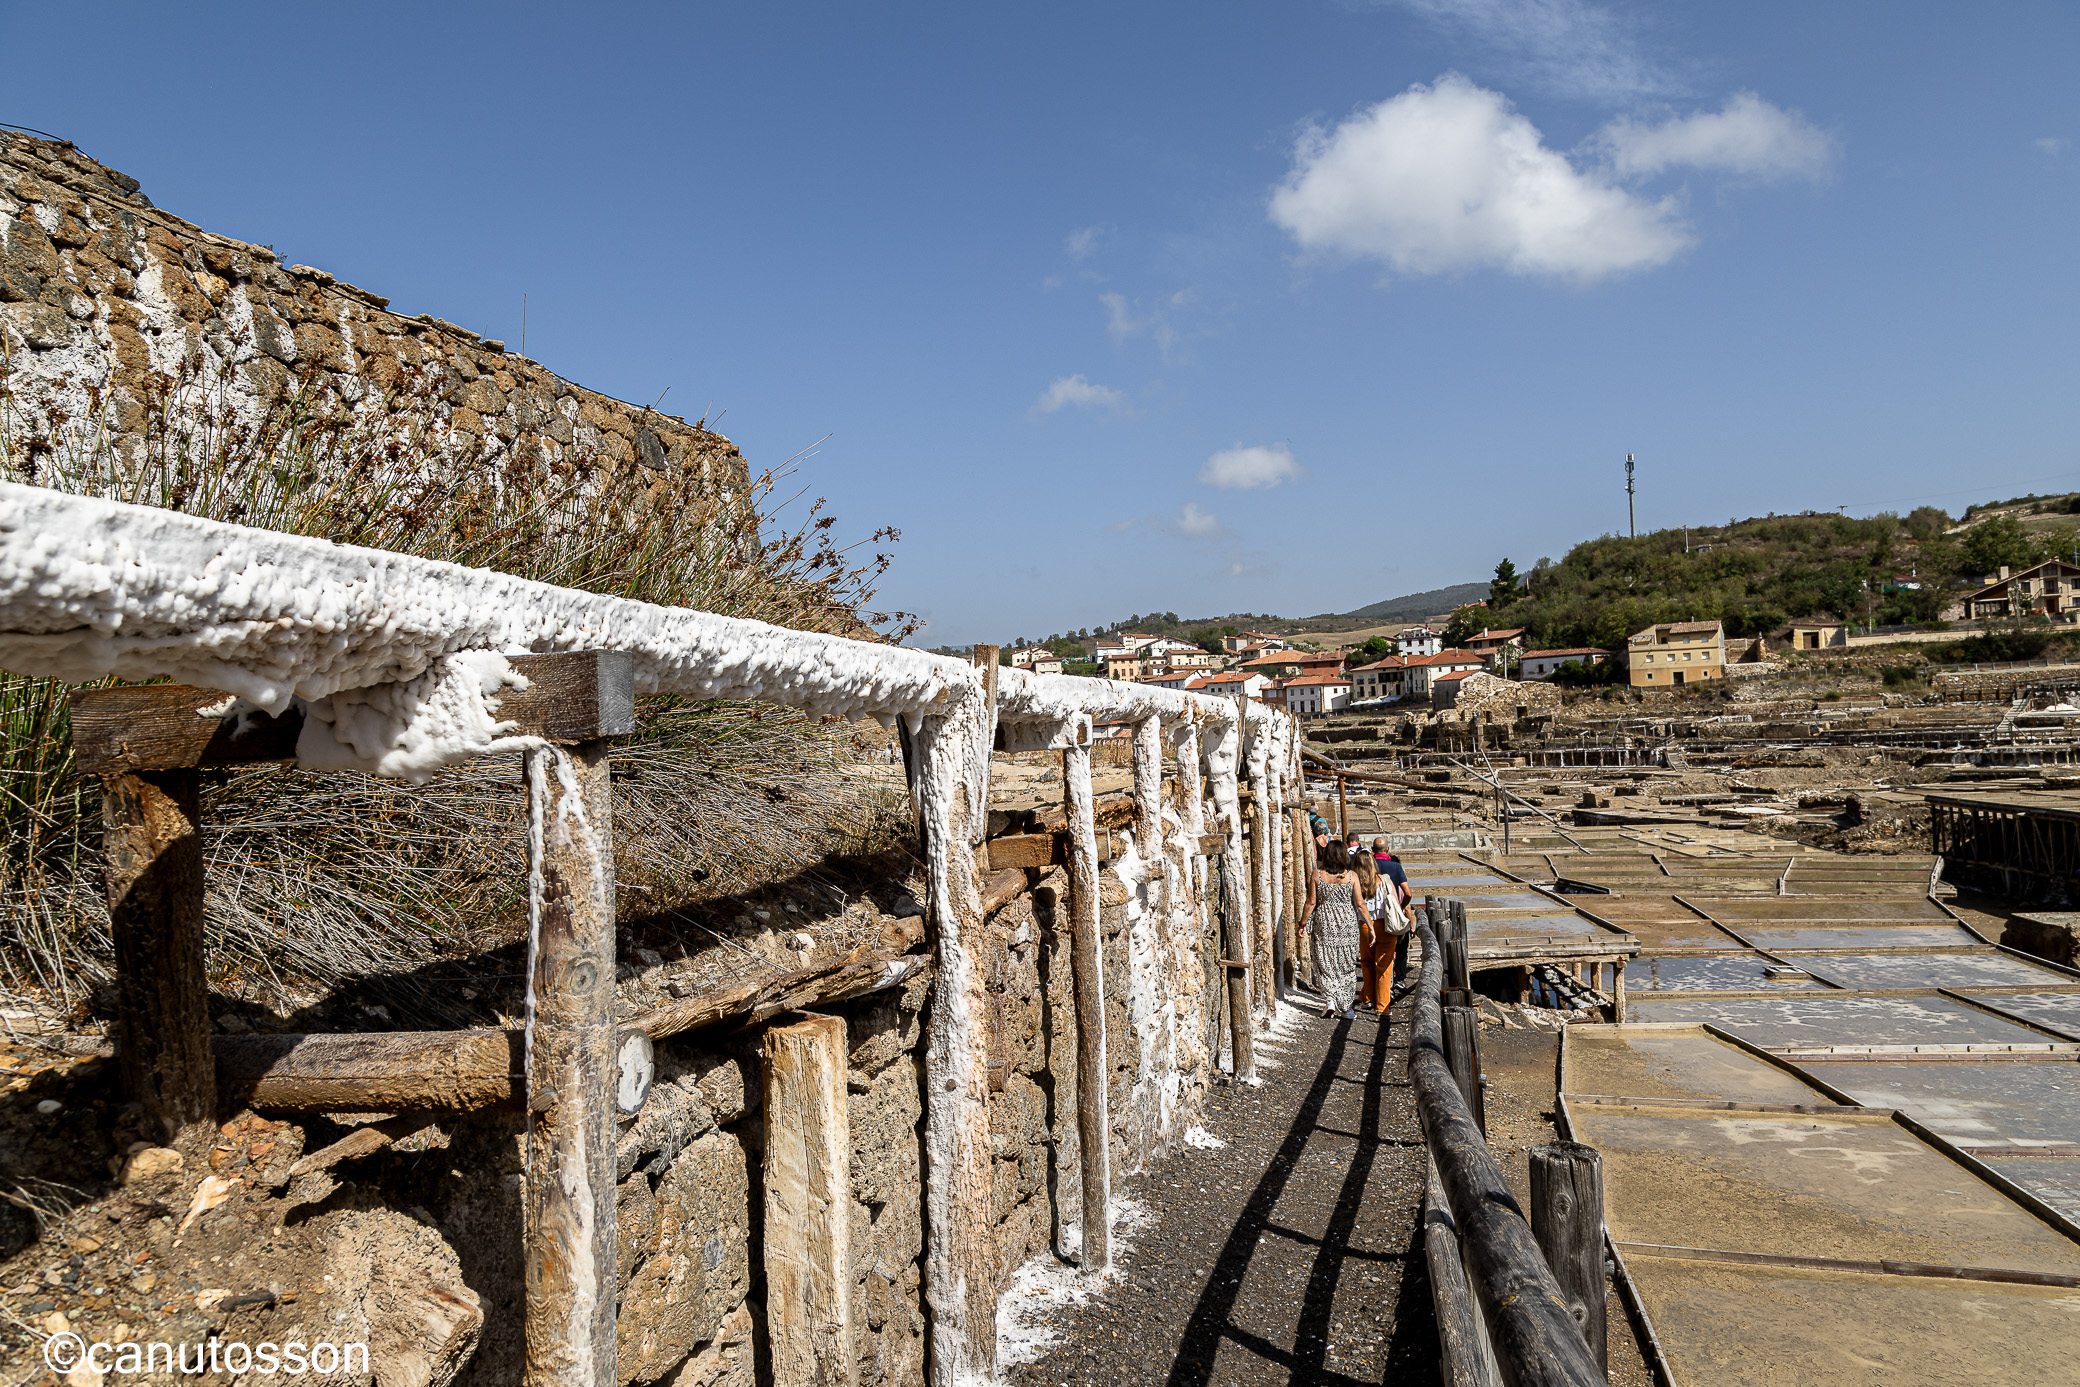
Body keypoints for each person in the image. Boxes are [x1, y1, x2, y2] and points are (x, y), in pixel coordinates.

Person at [1302, 840, 1371, 1019]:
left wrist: (1302, 923)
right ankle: (1347, 1007)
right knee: (1346, 965)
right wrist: (1371, 927)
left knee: (1325, 962)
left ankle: (1331, 999)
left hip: (1325, 922)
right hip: (1347, 924)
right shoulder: (1352, 876)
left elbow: (1311, 902)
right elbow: (1360, 904)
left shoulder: (1317, 875)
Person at [1353, 849, 1405, 1008]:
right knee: (1384, 966)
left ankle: (1368, 998)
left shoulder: (1356, 883)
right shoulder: (1385, 880)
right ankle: (1383, 1005)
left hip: (1365, 926)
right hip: (1386, 926)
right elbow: (1396, 903)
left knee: (1367, 962)